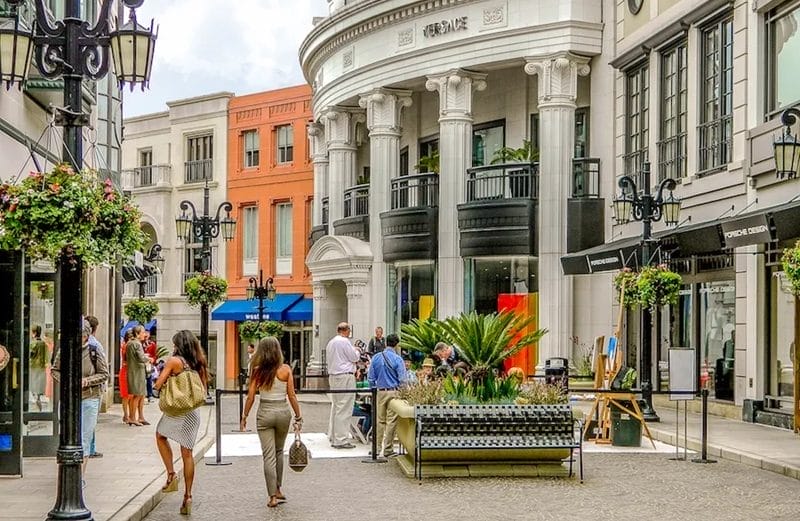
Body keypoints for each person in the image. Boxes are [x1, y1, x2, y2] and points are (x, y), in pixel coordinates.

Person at [240, 336, 302, 509]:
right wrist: (298, 415)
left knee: (268, 455)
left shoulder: (257, 371)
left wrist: (244, 416)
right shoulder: (285, 370)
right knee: (279, 451)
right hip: (283, 411)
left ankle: (272, 496)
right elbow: (292, 395)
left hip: (265, 412)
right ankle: (279, 488)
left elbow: (251, 396)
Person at [154, 330, 209, 516]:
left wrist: (164, 380)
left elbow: (158, 383)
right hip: (193, 411)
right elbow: (203, 388)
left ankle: (171, 473)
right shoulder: (199, 361)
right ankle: (188, 495)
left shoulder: (174, 361)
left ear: (179, 345)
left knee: (160, 435)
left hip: (177, 409)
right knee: (187, 453)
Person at [51, 319, 109, 484]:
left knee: (84, 438)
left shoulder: (94, 350)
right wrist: (67, 381)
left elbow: (104, 374)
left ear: (86, 336)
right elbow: (55, 370)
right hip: (69, 398)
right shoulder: (65, 350)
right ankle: (67, 475)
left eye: (81, 336)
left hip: (89, 398)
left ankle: (79, 479)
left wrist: (87, 381)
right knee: (67, 437)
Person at [367, 333, 406, 457]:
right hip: (394, 391)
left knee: (379, 420)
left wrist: (373, 389)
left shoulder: (376, 358)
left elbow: (371, 378)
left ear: (385, 343)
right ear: (397, 345)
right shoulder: (397, 359)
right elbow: (402, 379)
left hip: (380, 391)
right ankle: (388, 449)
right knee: (391, 420)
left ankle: (377, 448)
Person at [326, 322, 359, 449]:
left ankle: (334, 436)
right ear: (347, 330)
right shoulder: (344, 342)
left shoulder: (331, 342)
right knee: (344, 408)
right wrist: (356, 350)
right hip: (345, 375)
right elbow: (354, 357)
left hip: (334, 376)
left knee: (337, 406)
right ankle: (341, 439)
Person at [85, 316, 106, 458]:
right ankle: (90, 449)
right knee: (90, 422)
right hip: (93, 391)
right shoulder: (96, 345)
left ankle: (89, 448)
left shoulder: (92, 346)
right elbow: (104, 372)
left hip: (89, 389)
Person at [125, 325, 149, 426]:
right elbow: (141, 358)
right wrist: (148, 359)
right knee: (137, 395)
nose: (145, 334)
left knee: (137, 394)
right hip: (138, 372)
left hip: (132, 371)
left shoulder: (130, 343)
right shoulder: (137, 344)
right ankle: (133, 418)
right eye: (143, 332)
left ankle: (135, 417)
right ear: (137, 334)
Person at [29, 325, 48, 411]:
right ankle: (38, 397)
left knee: (33, 382)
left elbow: (31, 354)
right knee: (39, 383)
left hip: (34, 366)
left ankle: (35, 397)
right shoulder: (44, 343)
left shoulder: (34, 343)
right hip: (42, 366)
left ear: (35, 333)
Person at [119, 329, 134, 424]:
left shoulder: (128, 346)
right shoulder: (126, 346)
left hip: (130, 371)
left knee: (131, 395)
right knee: (126, 395)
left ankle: (129, 415)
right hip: (125, 371)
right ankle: (126, 414)